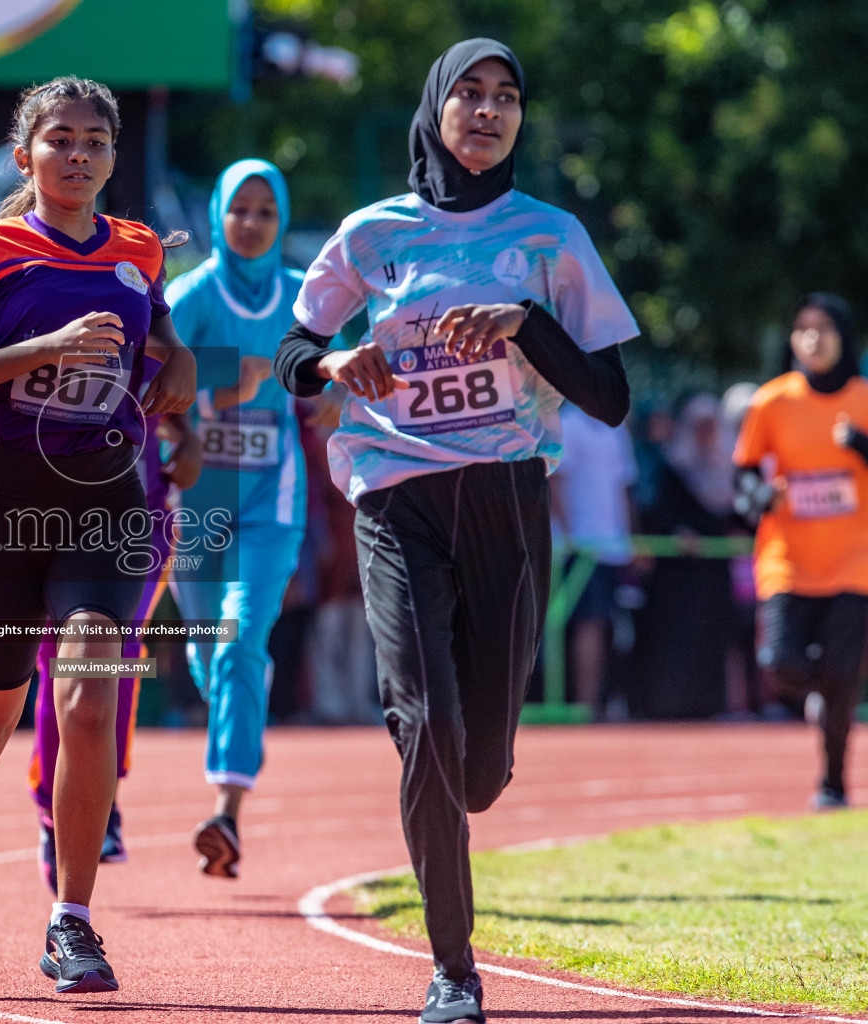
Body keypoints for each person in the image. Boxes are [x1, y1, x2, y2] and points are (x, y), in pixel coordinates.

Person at [273, 40, 637, 1023]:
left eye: (506, 98)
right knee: (426, 726)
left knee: (477, 771)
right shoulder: (370, 232)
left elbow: (609, 398)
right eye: (469, 94)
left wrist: (524, 321)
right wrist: (331, 367)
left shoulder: (551, 238)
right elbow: (294, 343)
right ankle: (453, 970)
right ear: (435, 107)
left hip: (508, 496)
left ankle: (481, 761)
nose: (487, 111)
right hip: (396, 493)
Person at [0, 77, 194, 998]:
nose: (79, 156)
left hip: (106, 510)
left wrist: (180, 362)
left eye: (96, 143)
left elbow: (159, 338)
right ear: (26, 152)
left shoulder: (138, 249)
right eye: (61, 140)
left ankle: (72, 921)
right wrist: (43, 350)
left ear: (114, 157)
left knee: (85, 703)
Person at [165, 159, 309, 878]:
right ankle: (239, 688)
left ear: (281, 222)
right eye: (239, 210)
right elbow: (150, 378)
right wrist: (232, 377)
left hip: (271, 502)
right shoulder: (190, 295)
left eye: (266, 213)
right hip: (197, 501)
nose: (251, 224)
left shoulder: (301, 297)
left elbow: (333, 368)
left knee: (241, 638)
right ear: (218, 215)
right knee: (208, 652)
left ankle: (226, 810)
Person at [26, 405, 199, 894]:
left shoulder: (153, 333)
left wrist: (187, 440)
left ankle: (104, 800)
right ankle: (50, 808)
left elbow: (175, 405)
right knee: (56, 663)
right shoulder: (35, 335)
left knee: (111, 660)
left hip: (138, 522)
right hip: (46, 518)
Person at [734, 293, 868, 810]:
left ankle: (833, 784)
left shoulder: (862, 399)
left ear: (844, 336)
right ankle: (824, 691)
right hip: (787, 558)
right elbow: (742, 477)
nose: (813, 339)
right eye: (803, 329)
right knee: (779, 662)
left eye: (825, 329)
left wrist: (860, 445)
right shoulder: (772, 401)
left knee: (842, 672)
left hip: (854, 562)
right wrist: (761, 497)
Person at [628, 394, 736, 719]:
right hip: (675, 577)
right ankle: (667, 703)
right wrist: (677, 532)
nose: (705, 434)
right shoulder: (672, 466)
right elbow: (657, 512)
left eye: (710, 427)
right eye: (699, 427)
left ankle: (708, 705)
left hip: (714, 573)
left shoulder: (729, 469)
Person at [550, 403, 637, 710]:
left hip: (611, 548)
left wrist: (628, 541)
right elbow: (555, 482)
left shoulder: (615, 428)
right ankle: (585, 706)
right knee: (588, 625)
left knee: (603, 627)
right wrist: (571, 537)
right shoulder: (568, 424)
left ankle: (595, 704)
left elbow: (622, 487)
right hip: (580, 547)